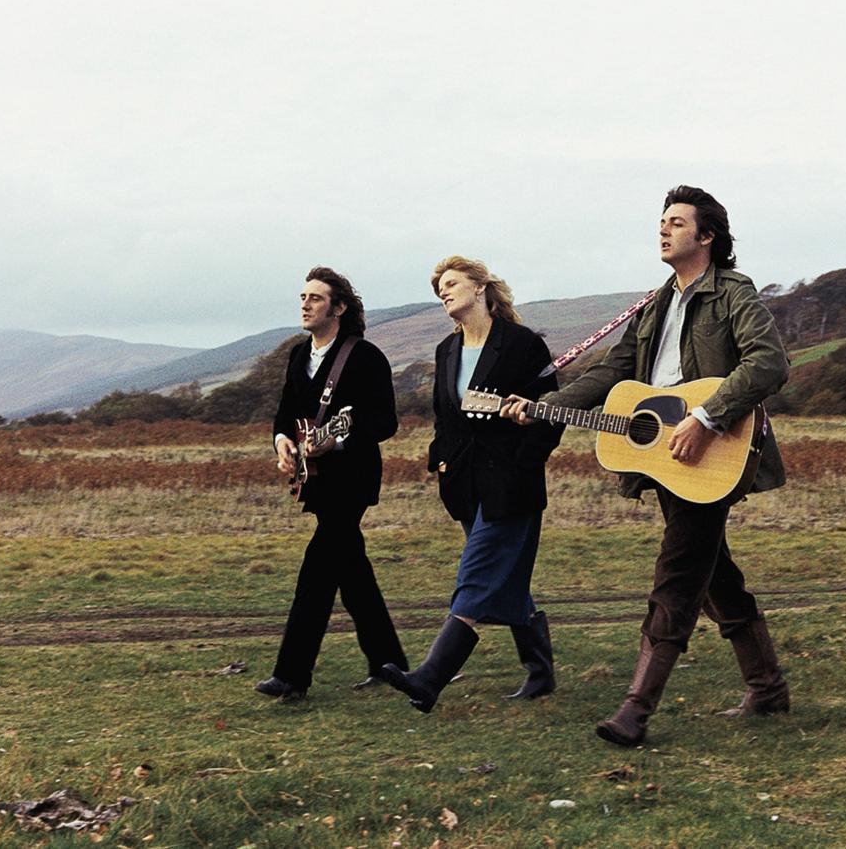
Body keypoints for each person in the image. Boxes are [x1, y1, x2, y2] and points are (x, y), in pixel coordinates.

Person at [504, 186, 791, 746]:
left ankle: (636, 709)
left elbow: (769, 363)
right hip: (664, 458)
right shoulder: (654, 305)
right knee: (715, 574)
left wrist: (706, 417)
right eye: (662, 222)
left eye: (677, 223)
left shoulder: (733, 292)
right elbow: (612, 373)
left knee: (679, 573)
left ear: (706, 237)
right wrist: (543, 409)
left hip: (712, 447)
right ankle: (768, 686)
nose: (663, 230)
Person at [381, 256, 563, 713]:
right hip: (463, 484)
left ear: (480, 287)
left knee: (479, 573)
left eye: (451, 283)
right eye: (438, 288)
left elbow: (553, 411)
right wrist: (439, 462)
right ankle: (540, 671)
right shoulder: (447, 349)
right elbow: (445, 418)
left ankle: (429, 677)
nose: (443, 292)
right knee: (507, 574)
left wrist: (527, 458)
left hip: (513, 482)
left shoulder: (521, 345)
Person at [254, 267, 409, 702]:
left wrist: (338, 440)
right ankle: (389, 662)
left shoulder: (365, 357)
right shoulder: (296, 356)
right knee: (351, 570)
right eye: (302, 297)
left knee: (318, 570)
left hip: (352, 480)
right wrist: (283, 443)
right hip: (317, 483)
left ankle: (291, 675)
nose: (305, 304)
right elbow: (286, 414)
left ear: (339, 308)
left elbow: (385, 422)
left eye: (316, 298)